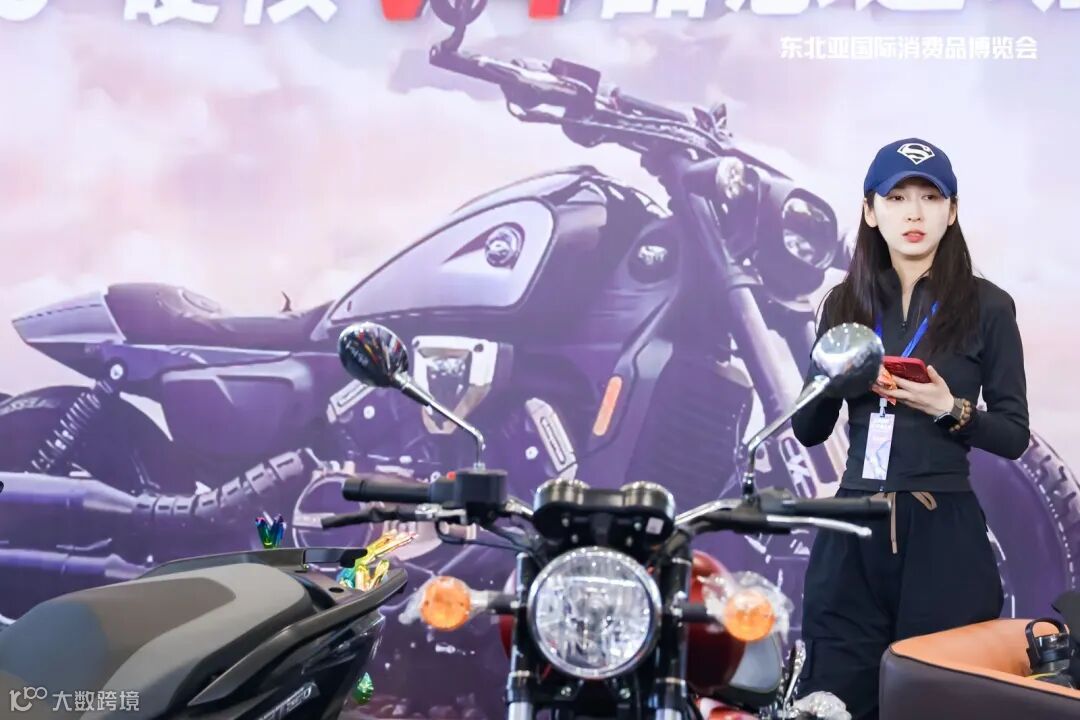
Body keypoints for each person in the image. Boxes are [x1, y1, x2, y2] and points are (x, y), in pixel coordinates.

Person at [791, 138, 1030, 719]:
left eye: (930, 197)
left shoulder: (989, 307)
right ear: (870, 211)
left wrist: (950, 408)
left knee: (937, 701)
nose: (914, 213)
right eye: (896, 197)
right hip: (851, 527)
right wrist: (836, 377)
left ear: (952, 211)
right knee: (834, 701)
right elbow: (808, 428)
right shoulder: (843, 304)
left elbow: (1014, 433)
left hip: (943, 532)